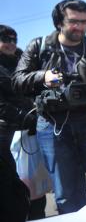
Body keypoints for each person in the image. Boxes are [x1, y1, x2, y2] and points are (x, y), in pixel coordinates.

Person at [12, 0, 86, 214]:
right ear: (59, 21)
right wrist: (44, 76)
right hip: (52, 125)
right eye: (73, 21)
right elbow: (17, 80)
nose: (79, 26)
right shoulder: (38, 46)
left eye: (84, 21)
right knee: (66, 191)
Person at [0, 25, 34, 222]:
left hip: (29, 128)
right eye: (6, 39)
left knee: (36, 186)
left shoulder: (24, 61)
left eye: (14, 39)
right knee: (11, 185)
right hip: (5, 133)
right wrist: (24, 115)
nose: (11, 43)